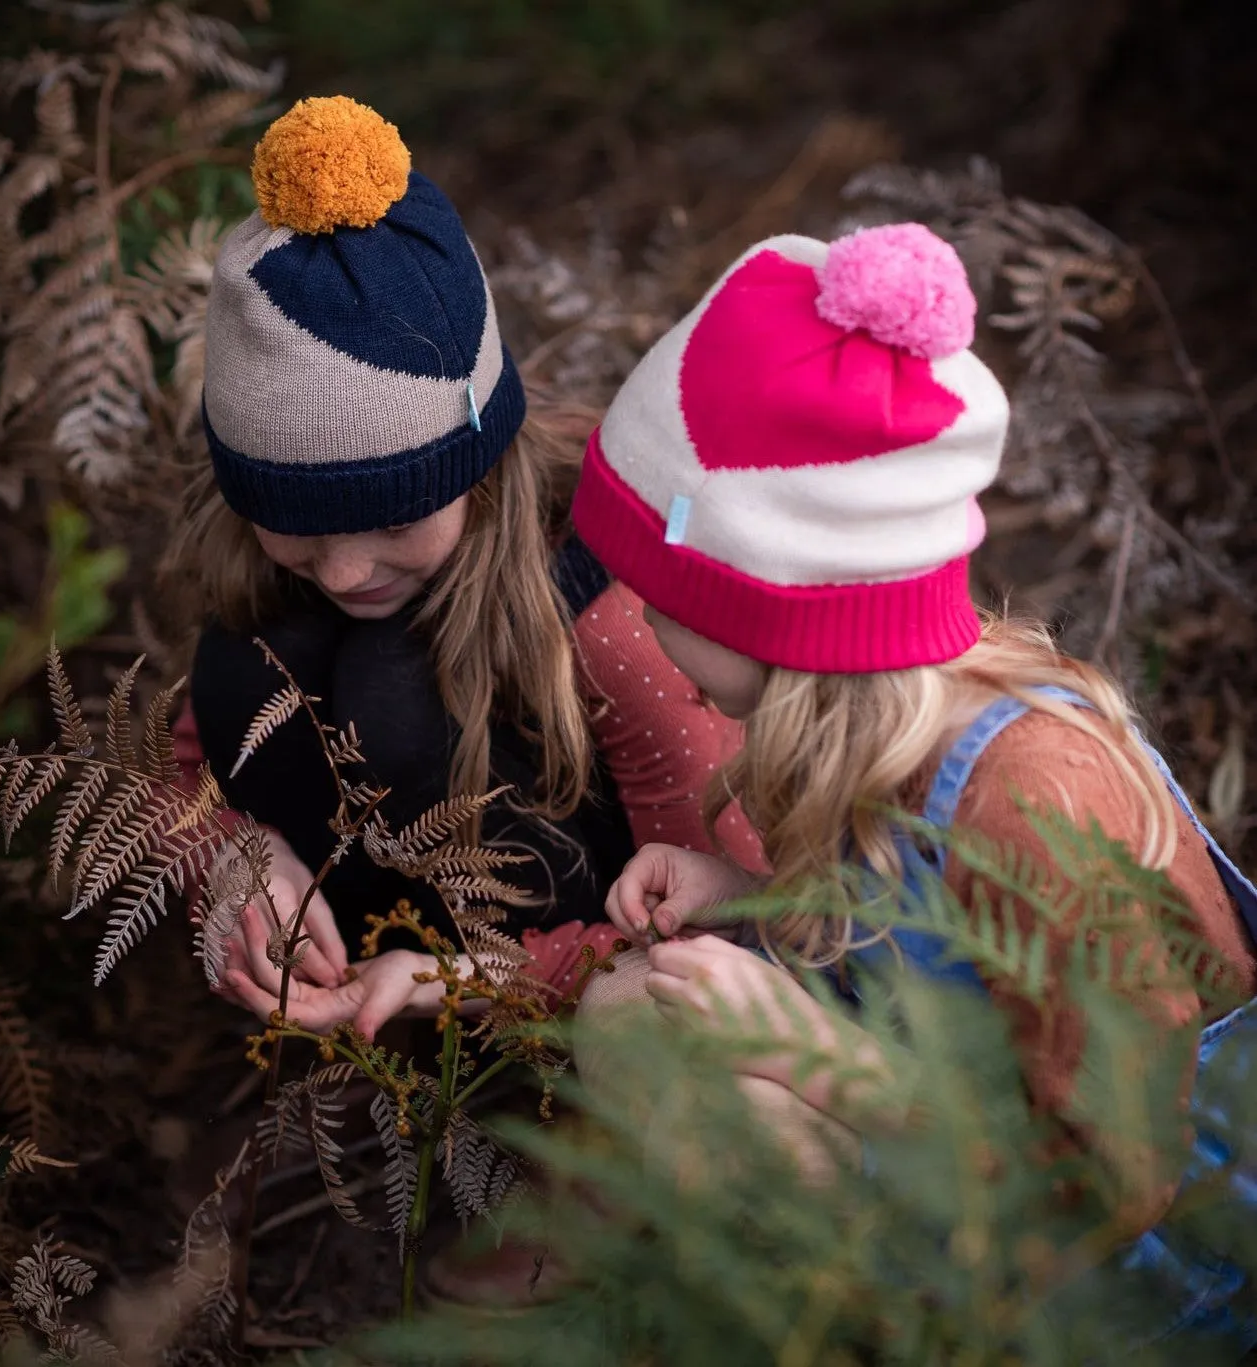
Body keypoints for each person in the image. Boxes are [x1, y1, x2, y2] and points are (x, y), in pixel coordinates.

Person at [569, 222, 1257, 1343]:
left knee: (718, 1084)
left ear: (773, 610)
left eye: (663, 596)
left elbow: (1113, 1167)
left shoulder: (1032, 796)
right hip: (955, 1148)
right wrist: (748, 896)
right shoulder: (879, 729)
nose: (637, 619)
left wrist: (826, 1064)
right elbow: (916, 949)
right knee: (633, 1011)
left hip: (1142, 1266)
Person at [163, 93, 758, 1044]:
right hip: (364, 971)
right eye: (298, 530)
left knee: (396, 696)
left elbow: (728, 909)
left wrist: (463, 978)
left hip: (563, 970)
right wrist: (231, 853)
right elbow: (173, 767)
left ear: (477, 465)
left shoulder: (611, 603)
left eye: (392, 516)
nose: (346, 571)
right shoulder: (258, 562)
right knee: (250, 663)